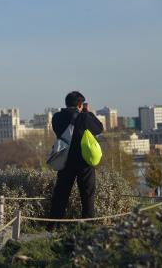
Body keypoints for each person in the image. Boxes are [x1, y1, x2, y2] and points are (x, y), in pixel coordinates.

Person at [47, 91, 103, 231]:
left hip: (64, 161)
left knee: (61, 194)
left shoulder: (57, 117)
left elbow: (58, 131)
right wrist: (87, 113)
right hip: (84, 161)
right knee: (87, 193)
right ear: (80, 104)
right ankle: (88, 226)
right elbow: (99, 128)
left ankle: (53, 225)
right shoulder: (84, 117)